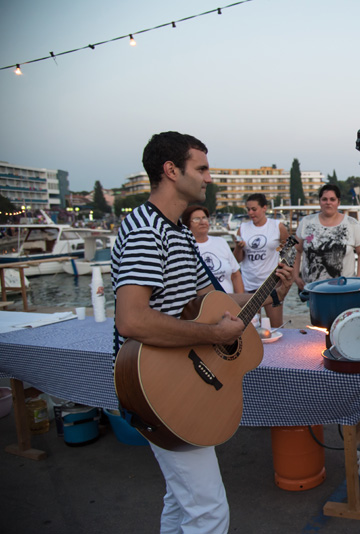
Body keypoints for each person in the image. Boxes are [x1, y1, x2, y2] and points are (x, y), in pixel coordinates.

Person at [112, 131, 293, 533]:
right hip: (161, 389)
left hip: (182, 382)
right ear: (172, 171)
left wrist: (270, 294)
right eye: (202, 168)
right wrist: (212, 336)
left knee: (181, 503)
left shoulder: (177, 231)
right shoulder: (146, 230)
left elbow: (217, 303)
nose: (209, 178)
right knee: (208, 511)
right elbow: (132, 320)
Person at [293, 183, 360, 289]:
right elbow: (296, 250)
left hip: (344, 289)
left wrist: (359, 280)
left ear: (338, 202)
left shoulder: (352, 224)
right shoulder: (306, 222)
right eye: (324, 199)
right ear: (319, 202)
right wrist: (296, 276)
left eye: (332, 199)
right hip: (312, 290)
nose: (328, 203)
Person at [233, 193, 290, 327]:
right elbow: (238, 259)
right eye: (248, 209)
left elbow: (288, 250)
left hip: (271, 284)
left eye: (254, 209)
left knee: (276, 327)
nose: (250, 213)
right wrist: (238, 248)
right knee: (251, 329)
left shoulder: (277, 226)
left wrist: (284, 274)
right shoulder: (243, 229)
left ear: (264, 208)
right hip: (249, 285)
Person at [182, 205, 244, 294]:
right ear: (187, 224)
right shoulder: (185, 248)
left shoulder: (221, 242)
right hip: (204, 306)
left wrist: (241, 301)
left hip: (229, 303)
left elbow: (235, 275)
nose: (202, 222)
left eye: (204, 218)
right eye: (196, 219)